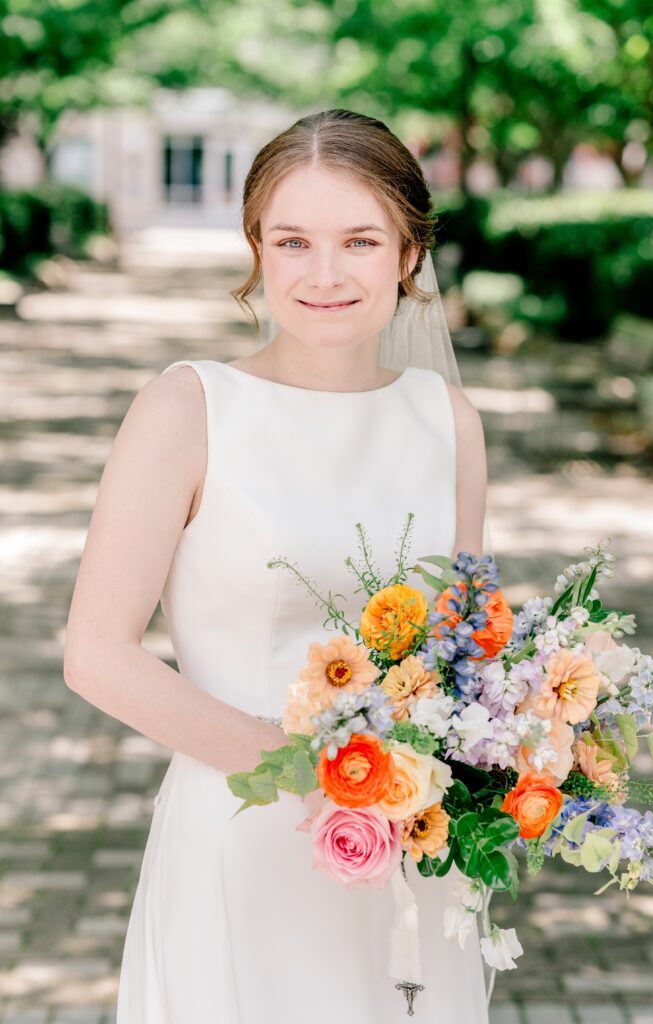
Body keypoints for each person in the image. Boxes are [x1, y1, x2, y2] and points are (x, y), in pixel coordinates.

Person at [63, 108, 490, 1023]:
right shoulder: (187, 408)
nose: (325, 273)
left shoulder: (446, 419)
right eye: (292, 240)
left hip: (408, 860)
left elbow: (462, 653)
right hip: (242, 835)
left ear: (410, 255)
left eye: (361, 240)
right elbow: (97, 655)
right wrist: (321, 775)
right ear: (256, 248)